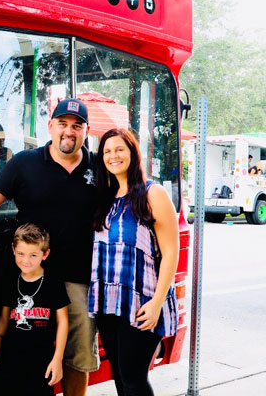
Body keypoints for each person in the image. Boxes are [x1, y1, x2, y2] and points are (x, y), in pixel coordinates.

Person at [0, 98, 99, 396]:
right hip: (27, 274)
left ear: (86, 131)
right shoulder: (24, 163)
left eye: (76, 126)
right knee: (19, 349)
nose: (69, 132)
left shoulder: (100, 166)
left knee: (77, 357)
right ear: (50, 126)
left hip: (79, 279)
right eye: (63, 124)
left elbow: (134, 196)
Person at [89, 128, 179, 396]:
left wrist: (156, 303)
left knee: (134, 377)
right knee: (120, 377)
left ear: (132, 153)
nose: (112, 156)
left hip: (143, 301)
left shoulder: (154, 193)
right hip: (109, 303)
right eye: (106, 151)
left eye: (119, 149)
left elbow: (171, 252)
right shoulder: (107, 198)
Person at [0, 223, 69, 396]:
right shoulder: (11, 282)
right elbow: (4, 321)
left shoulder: (53, 283)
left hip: (41, 361)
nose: (26, 260)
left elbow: (63, 321)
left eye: (33, 255)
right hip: (10, 359)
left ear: (45, 254)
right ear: (13, 250)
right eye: (21, 253)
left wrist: (57, 359)